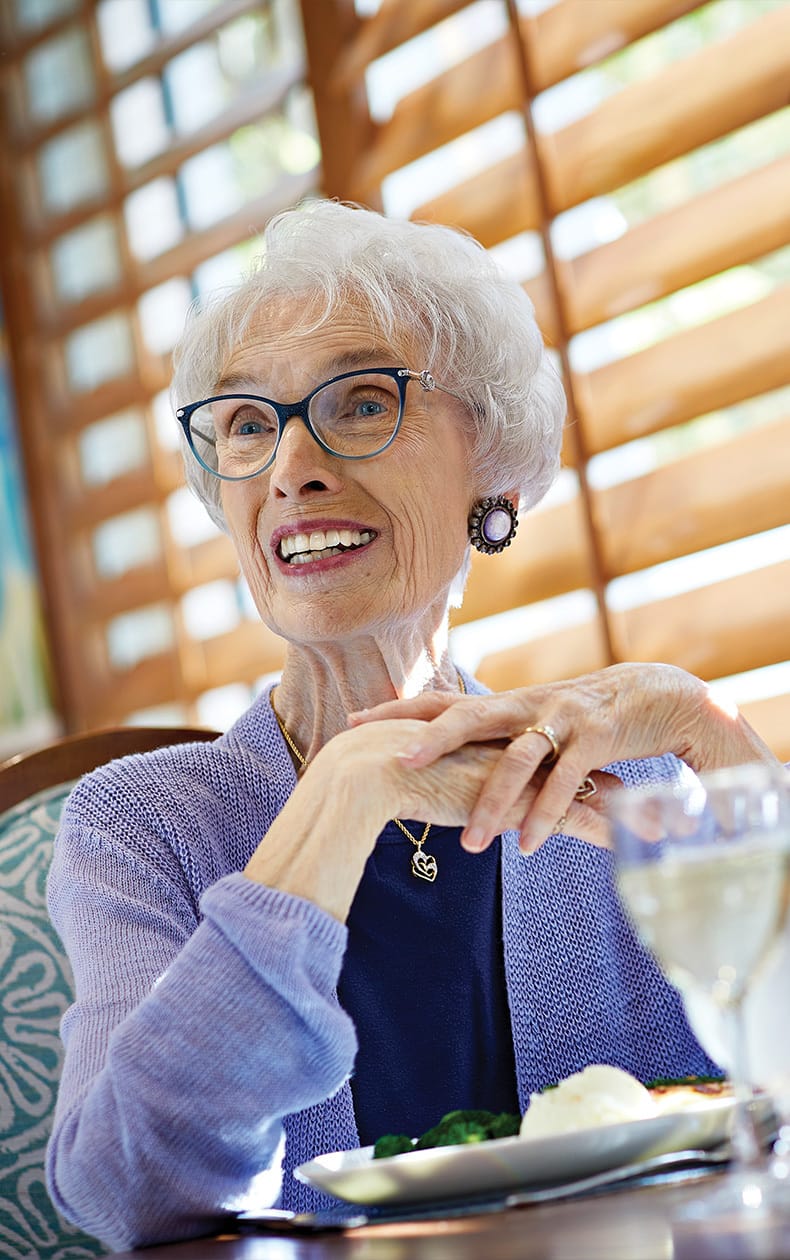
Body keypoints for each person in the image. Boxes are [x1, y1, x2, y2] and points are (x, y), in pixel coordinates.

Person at [46, 200, 781, 1251]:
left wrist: (706, 729)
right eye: (249, 423)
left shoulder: (643, 776)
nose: (292, 466)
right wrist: (341, 796)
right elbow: (129, 1191)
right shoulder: (137, 827)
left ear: (491, 459)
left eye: (357, 402)